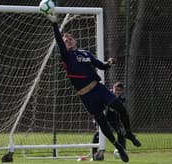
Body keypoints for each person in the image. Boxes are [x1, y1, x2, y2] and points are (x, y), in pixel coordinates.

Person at [45, 13, 141, 163]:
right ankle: (118, 147)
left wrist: (109, 63)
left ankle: (129, 133)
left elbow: (101, 66)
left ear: (75, 41)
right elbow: (58, 39)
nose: (68, 41)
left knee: (120, 108)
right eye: (65, 40)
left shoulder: (86, 53)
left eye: (70, 38)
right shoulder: (66, 55)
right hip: (86, 96)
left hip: (98, 89)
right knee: (102, 122)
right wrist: (54, 23)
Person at [92, 82, 127, 161]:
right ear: (113, 89)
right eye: (116, 90)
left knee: (121, 131)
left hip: (113, 119)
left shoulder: (122, 99)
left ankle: (122, 151)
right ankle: (94, 154)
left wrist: (119, 123)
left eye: (119, 90)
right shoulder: (107, 95)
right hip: (101, 116)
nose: (117, 92)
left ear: (122, 91)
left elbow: (119, 111)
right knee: (99, 133)